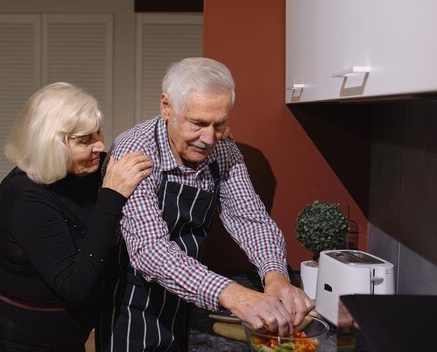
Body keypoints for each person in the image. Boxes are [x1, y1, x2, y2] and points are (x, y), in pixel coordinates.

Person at [97, 57, 314, 351]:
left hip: (191, 293)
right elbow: (150, 251)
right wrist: (234, 295)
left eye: (220, 123)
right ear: (166, 107)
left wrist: (275, 275)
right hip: (134, 299)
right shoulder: (135, 151)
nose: (209, 138)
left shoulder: (223, 150)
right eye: (198, 123)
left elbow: (250, 219)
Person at [0, 82, 152, 351]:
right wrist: (111, 197)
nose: (99, 145)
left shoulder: (84, 169)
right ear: (51, 144)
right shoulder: (25, 195)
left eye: (98, 132)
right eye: (85, 140)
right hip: (23, 337)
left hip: (69, 334)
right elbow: (74, 285)